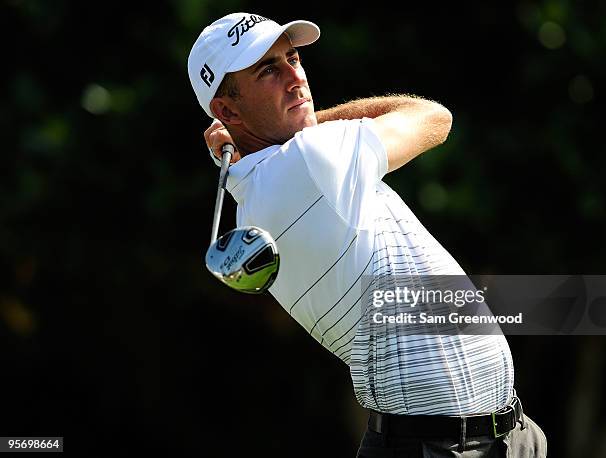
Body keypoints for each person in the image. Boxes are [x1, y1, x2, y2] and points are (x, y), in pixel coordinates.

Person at [188, 12, 548, 457]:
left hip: (493, 434)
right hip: (439, 447)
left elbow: (274, 151)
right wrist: (310, 117)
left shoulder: (253, 202)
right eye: (268, 70)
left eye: (292, 57)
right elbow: (432, 117)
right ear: (226, 111)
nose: (294, 77)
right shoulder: (311, 159)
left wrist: (271, 127)